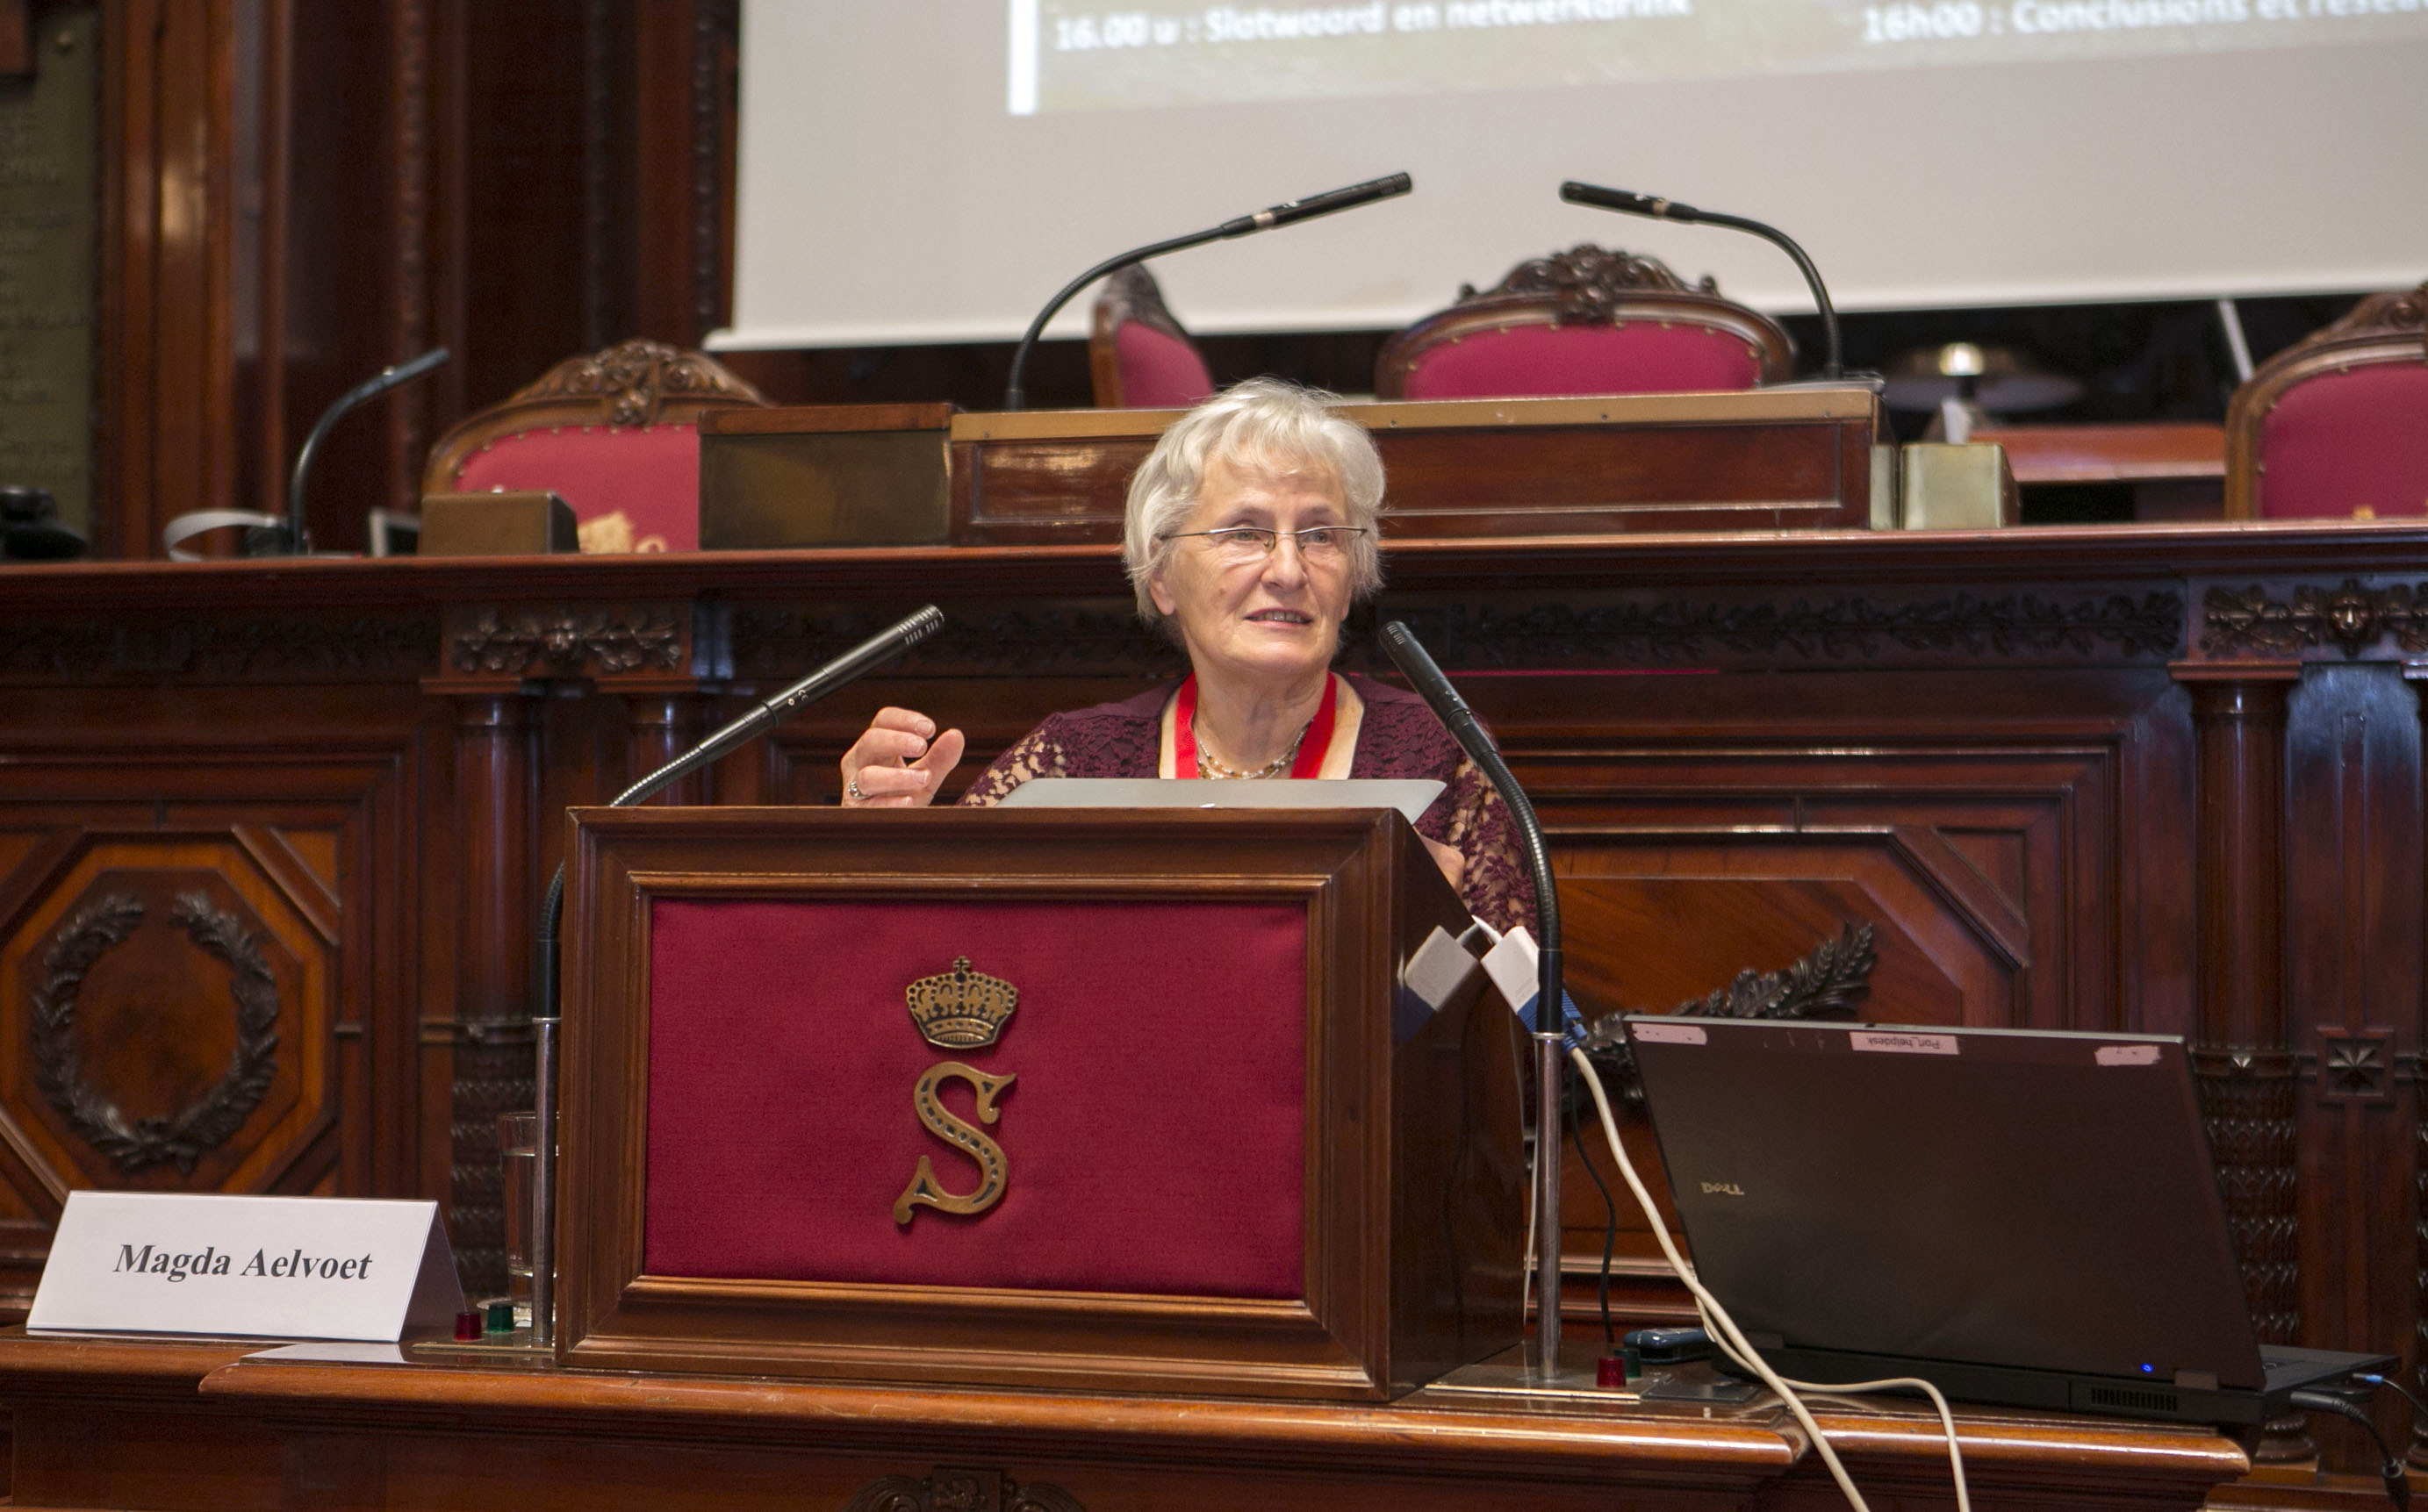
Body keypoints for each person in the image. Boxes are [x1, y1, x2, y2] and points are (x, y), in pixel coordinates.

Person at [838, 377, 1535, 937]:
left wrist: (1441, 933)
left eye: (1320, 535)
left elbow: (1527, 1039)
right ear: (1163, 576)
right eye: (1245, 532)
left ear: (1352, 575)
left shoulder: (1441, 756)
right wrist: (873, 852)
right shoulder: (1070, 758)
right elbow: (931, 960)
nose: (1288, 569)